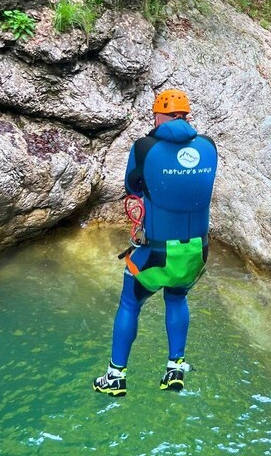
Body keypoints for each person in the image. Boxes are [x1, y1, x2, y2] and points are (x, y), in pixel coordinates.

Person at [93, 89, 218, 397]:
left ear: (159, 116)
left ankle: (115, 375)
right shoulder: (208, 147)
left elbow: (132, 186)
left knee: (130, 302)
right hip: (196, 253)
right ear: (186, 115)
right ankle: (175, 368)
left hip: (157, 253)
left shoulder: (145, 148)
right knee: (176, 299)